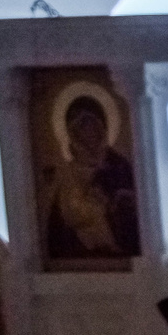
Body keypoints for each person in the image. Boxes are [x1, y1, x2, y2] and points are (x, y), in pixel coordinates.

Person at [44, 93, 138, 260]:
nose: (90, 133)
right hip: (79, 250)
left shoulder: (118, 165)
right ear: (73, 134)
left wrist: (116, 201)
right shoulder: (68, 173)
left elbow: (133, 201)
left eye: (93, 126)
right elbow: (59, 222)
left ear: (102, 128)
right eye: (83, 128)